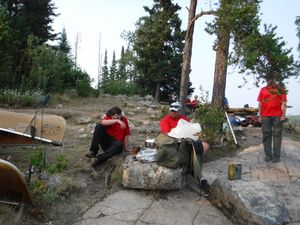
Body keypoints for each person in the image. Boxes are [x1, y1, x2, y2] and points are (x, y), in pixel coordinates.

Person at [257, 79, 287, 163]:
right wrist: (260, 115)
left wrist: (283, 115)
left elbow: (283, 103)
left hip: (277, 115)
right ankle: (268, 155)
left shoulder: (281, 89)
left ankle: (276, 156)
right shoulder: (263, 89)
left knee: (277, 135)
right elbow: (260, 103)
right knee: (266, 134)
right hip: (265, 115)